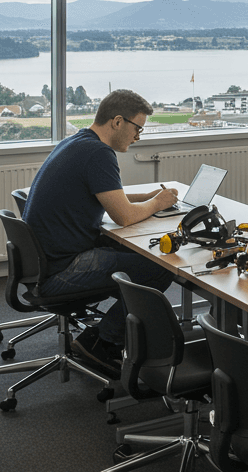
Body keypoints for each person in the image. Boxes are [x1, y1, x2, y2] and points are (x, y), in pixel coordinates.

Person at [23, 89, 180, 377]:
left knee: (134, 254)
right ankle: (101, 341)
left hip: (45, 261)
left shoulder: (77, 142)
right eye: (137, 128)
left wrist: (145, 195)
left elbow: (109, 196)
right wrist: (157, 202)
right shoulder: (99, 154)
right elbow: (122, 217)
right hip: (62, 270)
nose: (138, 137)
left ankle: (119, 335)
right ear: (118, 122)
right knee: (159, 267)